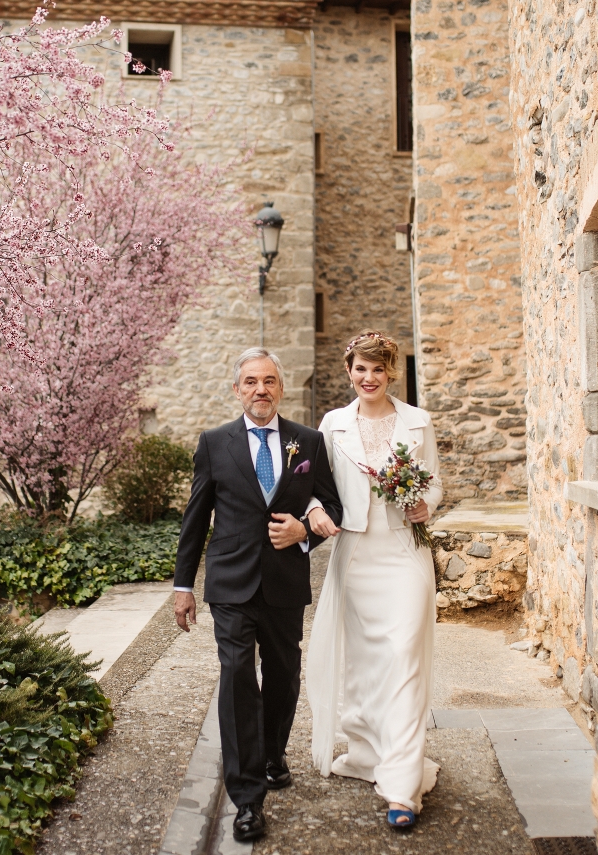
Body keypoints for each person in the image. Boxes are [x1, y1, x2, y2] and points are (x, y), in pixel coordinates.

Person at [173, 348, 343, 843]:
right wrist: (184, 586)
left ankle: (272, 753)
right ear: (237, 389)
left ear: (281, 388)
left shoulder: (307, 441)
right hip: (230, 583)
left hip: (285, 581)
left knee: (285, 674)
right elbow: (195, 518)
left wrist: (304, 534)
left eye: (269, 381)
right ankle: (247, 798)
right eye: (250, 382)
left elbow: (331, 502)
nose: (260, 390)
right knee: (237, 677)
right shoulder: (213, 443)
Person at [306, 331, 443, 830]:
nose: (369, 378)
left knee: (405, 654)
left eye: (378, 369)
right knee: (365, 663)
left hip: (405, 552)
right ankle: (367, 753)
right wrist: (315, 508)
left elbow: (435, 481)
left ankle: (402, 786)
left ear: (391, 373)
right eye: (360, 369)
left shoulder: (417, 421)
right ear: (349, 372)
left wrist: (427, 503)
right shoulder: (332, 425)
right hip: (356, 554)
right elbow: (313, 485)